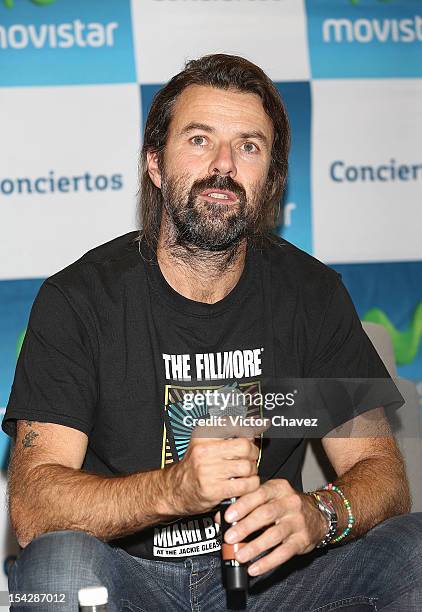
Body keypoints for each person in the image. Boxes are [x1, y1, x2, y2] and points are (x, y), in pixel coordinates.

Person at [3, 54, 422, 612]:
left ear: (271, 179)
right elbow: (33, 508)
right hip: (128, 576)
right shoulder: (80, 301)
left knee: (414, 550)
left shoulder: (310, 296)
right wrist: (175, 488)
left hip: (278, 581)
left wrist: (320, 514)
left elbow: (383, 475)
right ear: (155, 164)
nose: (223, 165)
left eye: (249, 146)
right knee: (54, 569)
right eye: (199, 140)